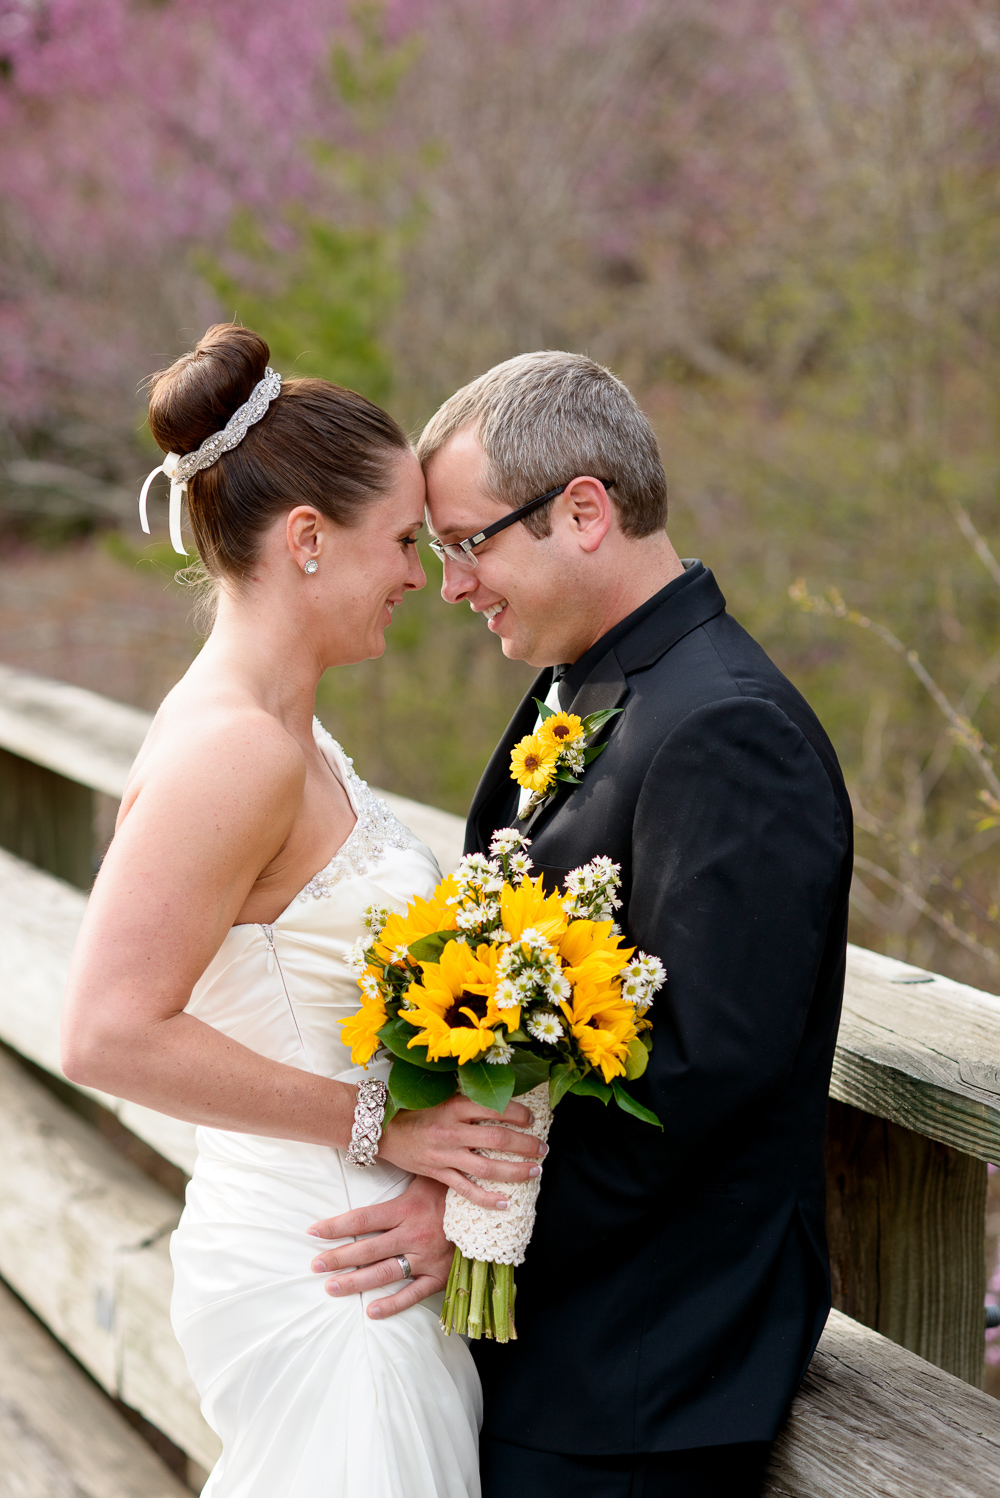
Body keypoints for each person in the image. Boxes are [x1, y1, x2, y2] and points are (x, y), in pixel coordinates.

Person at [60, 323, 547, 1498]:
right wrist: (384, 1122)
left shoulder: (291, 730)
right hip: (333, 1272)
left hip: (359, 1247)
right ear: (308, 540)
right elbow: (105, 1031)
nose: (418, 575)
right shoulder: (235, 749)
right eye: (398, 542)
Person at [414, 351, 853, 1498]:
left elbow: (696, 1078)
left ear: (583, 510)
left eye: (467, 542)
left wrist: (470, 1226)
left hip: (641, 1377)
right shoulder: (586, 683)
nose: (453, 583)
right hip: (558, 1346)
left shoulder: (727, 729)